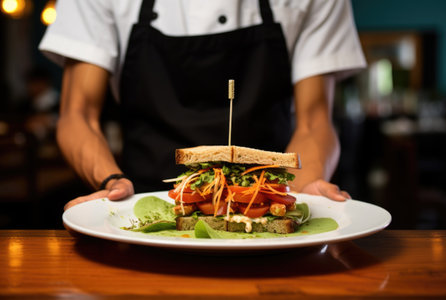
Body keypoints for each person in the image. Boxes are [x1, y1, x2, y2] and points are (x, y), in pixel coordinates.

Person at [39, 0, 366, 210]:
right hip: (143, 201)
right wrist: (110, 182)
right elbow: (77, 114)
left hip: (265, 199)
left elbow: (314, 121)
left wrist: (296, 194)